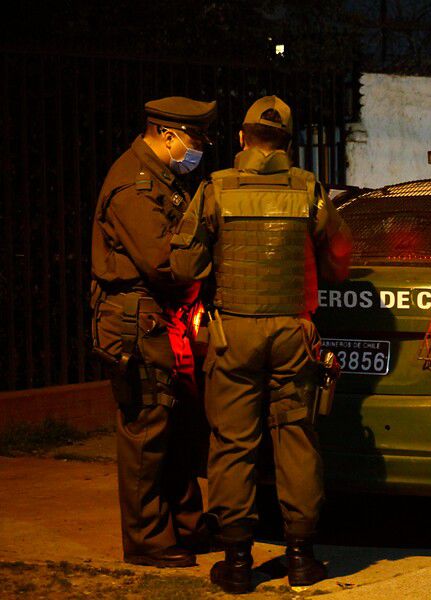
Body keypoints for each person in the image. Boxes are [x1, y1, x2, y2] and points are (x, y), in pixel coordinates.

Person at [170, 95, 352, 593]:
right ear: (288, 144)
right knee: (296, 437)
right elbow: (339, 260)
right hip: (294, 333)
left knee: (232, 444)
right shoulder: (309, 190)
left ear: (243, 138)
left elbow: (184, 266)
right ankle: (300, 559)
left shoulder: (215, 189)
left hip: (234, 335)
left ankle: (236, 562)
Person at [90, 96, 217, 568]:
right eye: (195, 138)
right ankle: (146, 537)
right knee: (148, 427)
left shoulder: (162, 179)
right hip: (136, 319)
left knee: (177, 423)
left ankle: (184, 525)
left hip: (161, 319)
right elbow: (163, 262)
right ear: (166, 134)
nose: (199, 147)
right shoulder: (134, 185)